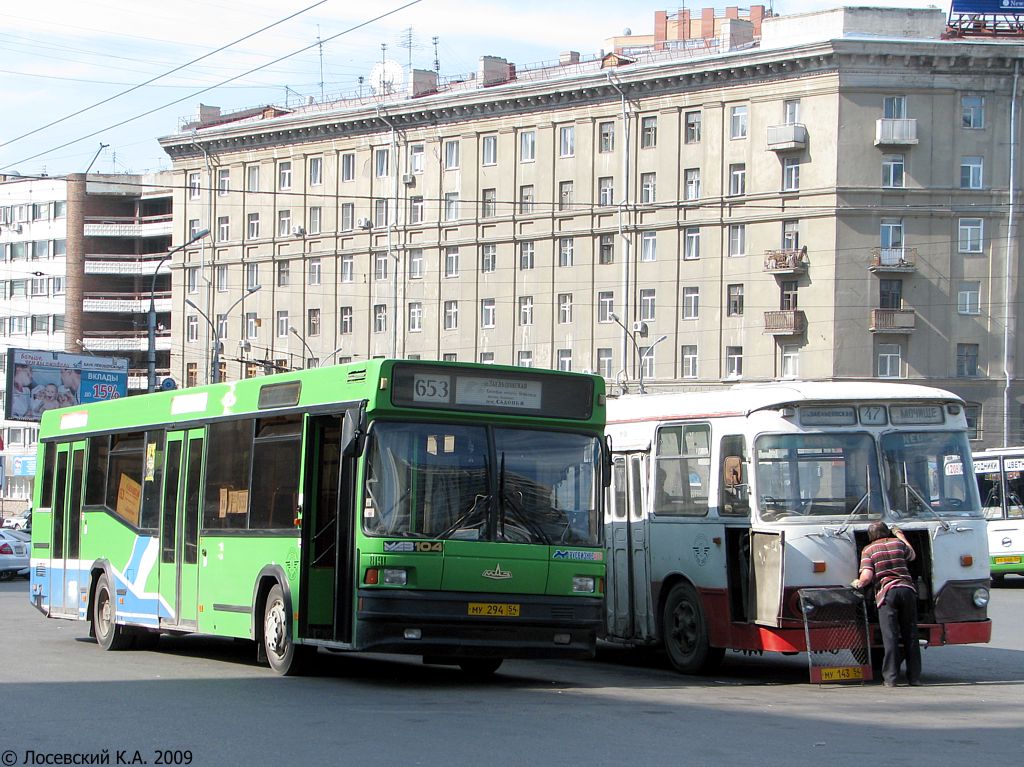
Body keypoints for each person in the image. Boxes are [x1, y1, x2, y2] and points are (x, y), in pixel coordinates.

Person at [852, 521, 921, 687]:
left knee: (890, 636)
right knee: (910, 634)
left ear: (870, 536)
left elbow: (867, 577)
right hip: (907, 590)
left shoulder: (868, 550)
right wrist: (900, 534)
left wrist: (857, 583)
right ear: (886, 532)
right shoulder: (898, 543)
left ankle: (891, 678)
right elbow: (912, 555)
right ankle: (915, 678)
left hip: (887, 593)